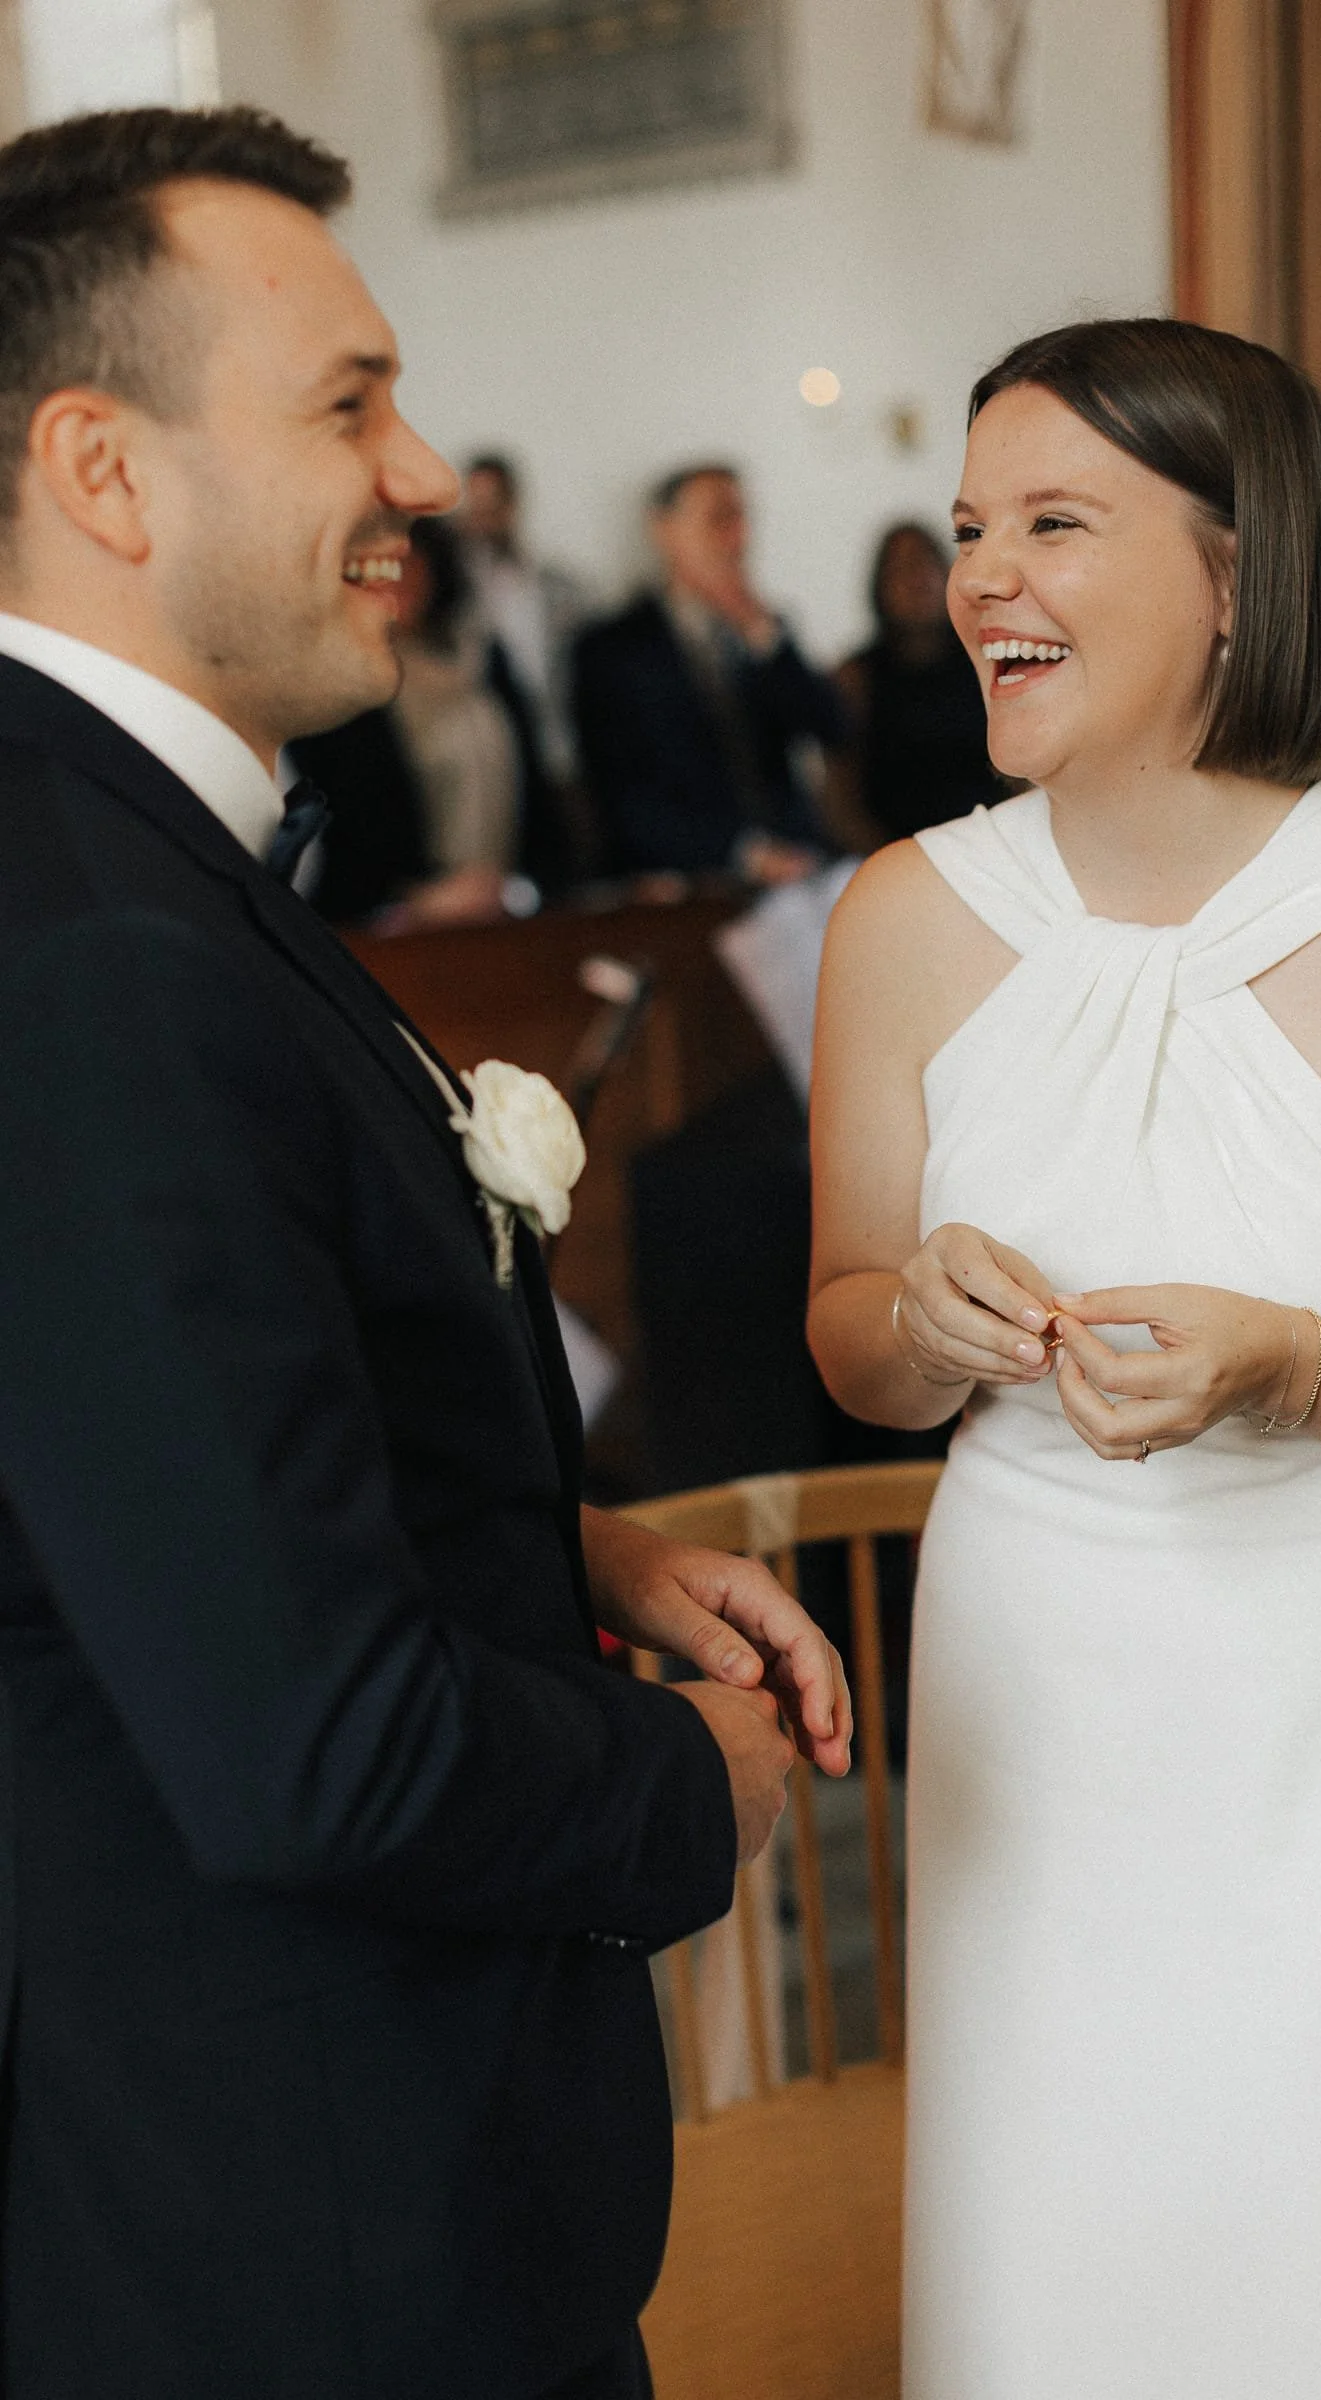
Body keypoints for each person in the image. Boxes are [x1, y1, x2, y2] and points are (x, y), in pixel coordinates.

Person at [0, 104, 851, 2400]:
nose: (425, 471)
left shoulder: (147, 873)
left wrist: (561, 1535)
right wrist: (693, 1783)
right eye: (346, 401)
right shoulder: (102, 954)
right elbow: (313, 1743)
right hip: (291, 2227)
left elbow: (132, 1471)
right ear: (105, 467)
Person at [807, 316, 1321, 2397]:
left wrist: (1294, 1372)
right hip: (1033, 1684)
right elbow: (844, 1345)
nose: (980, 575)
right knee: (1047, 2229)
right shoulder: (898, 915)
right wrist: (905, 1322)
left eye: (1053, 522)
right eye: (970, 524)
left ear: (1239, 576)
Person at [294, 512, 574, 926]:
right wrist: (415, 898)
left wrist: (522, 886)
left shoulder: (481, 658)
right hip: (394, 923)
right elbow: (334, 829)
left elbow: (539, 796)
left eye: (410, 561)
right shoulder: (329, 683)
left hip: (508, 907)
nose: (398, 578)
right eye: (375, 565)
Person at [572, 462, 845, 883]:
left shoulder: (768, 627)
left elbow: (833, 728)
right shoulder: (611, 649)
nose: (737, 537)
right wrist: (742, 854)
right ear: (663, 529)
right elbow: (621, 795)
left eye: (741, 517)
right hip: (686, 878)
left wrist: (764, 638)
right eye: (718, 518)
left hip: (797, 864)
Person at [458, 450, 591, 865]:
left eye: (492, 506)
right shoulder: (456, 597)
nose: (483, 519)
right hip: (493, 761)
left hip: (561, 753)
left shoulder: (556, 587)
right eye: (474, 506)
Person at [831, 520, 997, 845]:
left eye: (925, 563)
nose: (915, 580)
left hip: (991, 845)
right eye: (900, 569)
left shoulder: (988, 660)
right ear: (879, 587)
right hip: (889, 854)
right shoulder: (855, 678)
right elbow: (839, 800)